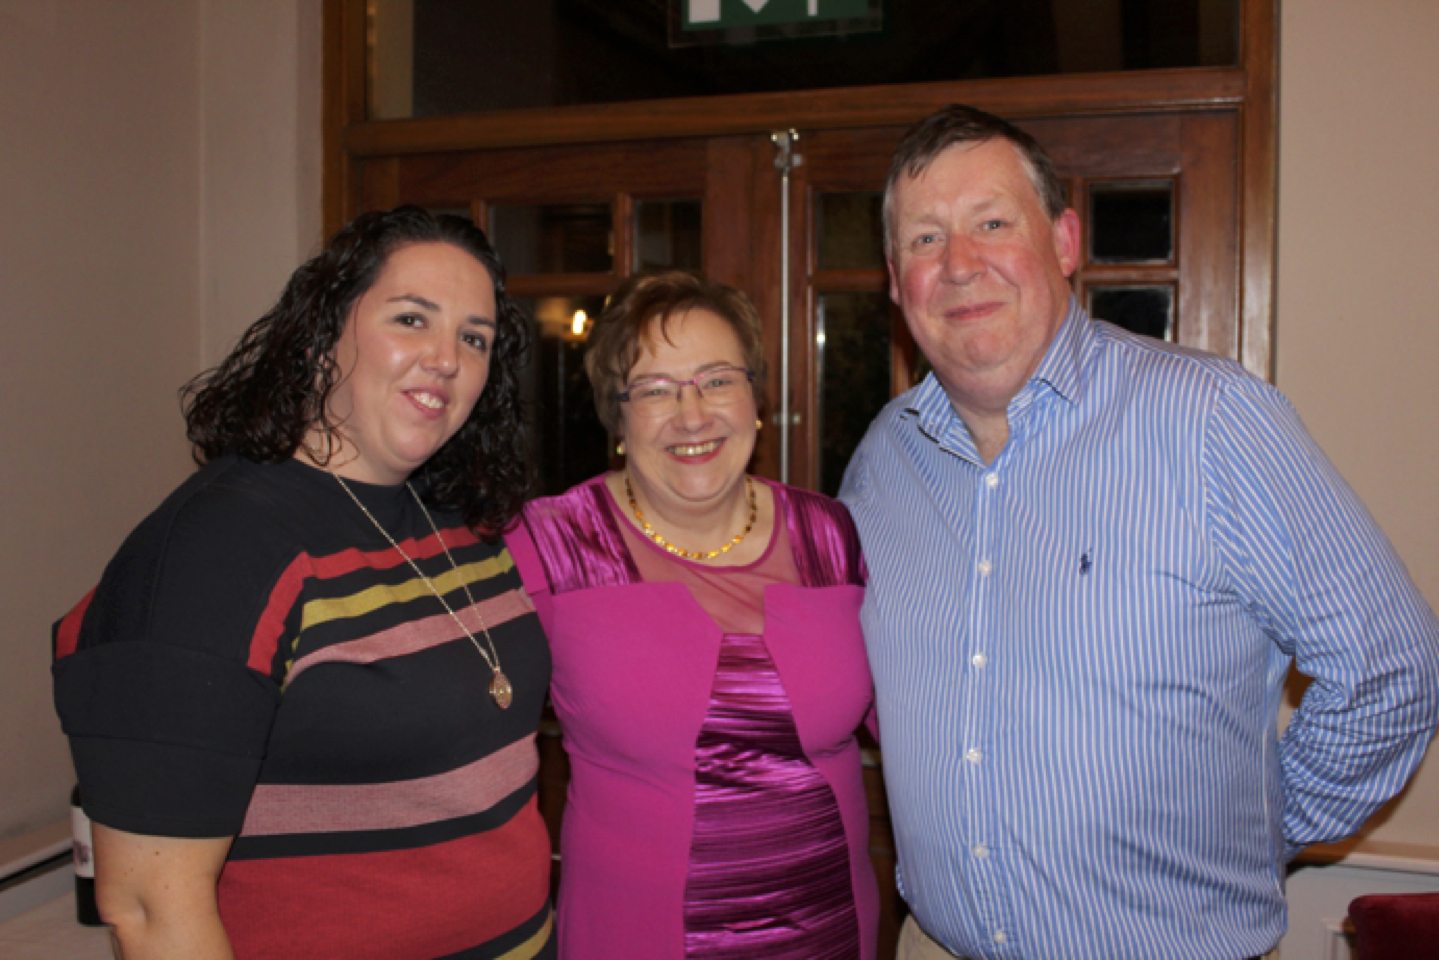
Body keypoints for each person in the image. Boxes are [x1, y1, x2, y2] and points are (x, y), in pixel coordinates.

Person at [840, 104, 1439, 960]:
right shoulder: (881, 461)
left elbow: (1392, 667)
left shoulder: (1210, 420)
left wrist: (1252, 833)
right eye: (924, 241)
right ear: (896, 283)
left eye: (992, 224)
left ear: (1063, 241)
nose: (960, 265)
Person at [51, 206, 555, 959]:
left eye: (473, 337)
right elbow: (150, 910)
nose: (447, 357)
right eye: (412, 319)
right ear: (322, 337)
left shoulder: (456, 521)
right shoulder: (215, 549)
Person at [505, 271, 878, 958]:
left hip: (830, 931)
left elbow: (921, 722)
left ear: (755, 400)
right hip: (634, 938)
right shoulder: (551, 546)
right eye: (653, 390)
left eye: (716, 380)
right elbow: (462, 738)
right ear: (616, 420)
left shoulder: (831, 535)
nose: (692, 413)